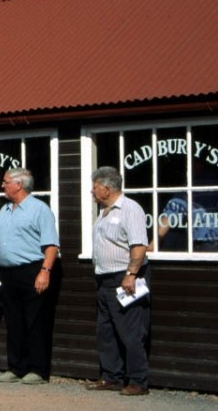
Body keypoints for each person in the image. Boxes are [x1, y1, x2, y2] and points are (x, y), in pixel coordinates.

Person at [0, 167, 59, 385]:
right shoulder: (5, 210)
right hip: (8, 273)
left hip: (32, 270)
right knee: (13, 321)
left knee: (35, 320)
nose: (2, 185)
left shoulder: (40, 210)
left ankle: (38, 370)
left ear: (19, 185)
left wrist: (45, 272)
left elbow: (51, 246)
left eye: (5, 181)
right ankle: (16, 367)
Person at [87, 166, 151, 396]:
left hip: (124, 277)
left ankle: (138, 381)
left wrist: (131, 274)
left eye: (95, 187)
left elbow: (139, 245)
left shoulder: (129, 209)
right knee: (105, 331)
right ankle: (111, 376)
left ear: (107, 188)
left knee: (130, 331)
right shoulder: (103, 212)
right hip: (104, 278)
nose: (92, 191)